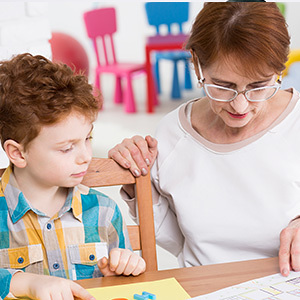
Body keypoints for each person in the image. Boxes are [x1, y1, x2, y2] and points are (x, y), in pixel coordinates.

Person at [109, 2, 299, 277]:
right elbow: (175, 240)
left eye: (259, 86)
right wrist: (136, 181)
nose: (241, 106)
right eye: (223, 86)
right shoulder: (172, 134)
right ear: (197, 65)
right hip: (204, 285)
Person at [0, 53, 145, 300]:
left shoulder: (104, 211)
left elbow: (127, 286)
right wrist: (21, 282)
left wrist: (125, 269)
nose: (85, 156)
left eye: (87, 139)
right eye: (67, 148)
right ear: (18, 153)